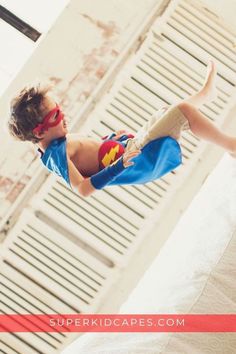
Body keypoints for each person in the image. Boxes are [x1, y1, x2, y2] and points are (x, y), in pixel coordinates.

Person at [8, 61, 236, 197]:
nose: (63, 115)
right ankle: (230, 144)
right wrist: (119, 164)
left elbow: (93, 155)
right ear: (39, 132)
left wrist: (111, 139)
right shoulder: (56, 156)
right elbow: (83, 189)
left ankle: (206, 96)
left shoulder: (60, 143)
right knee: (182, 111)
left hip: (130, 147)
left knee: (167, 112)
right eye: (56, 115)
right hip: (135, 158)